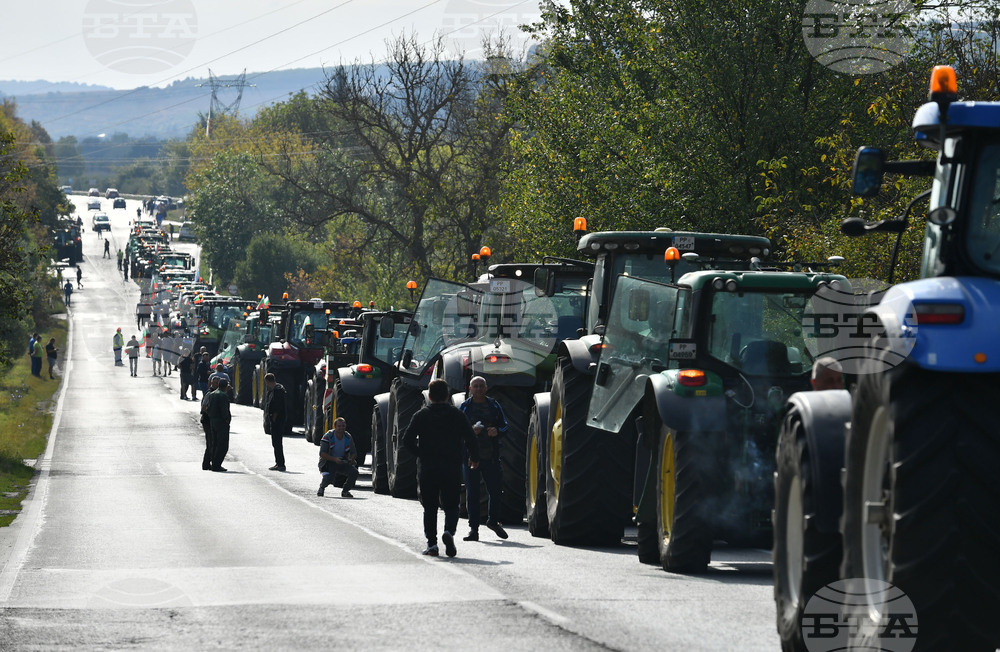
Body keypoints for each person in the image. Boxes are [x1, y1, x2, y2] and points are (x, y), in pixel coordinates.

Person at [402, 379, 479, 558]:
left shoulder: (421, 415)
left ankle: (432, 544)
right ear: (447, 395)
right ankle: (449, 532)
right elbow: (471, 438)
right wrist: (474, 458)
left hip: (428, 468)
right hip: (451, 467)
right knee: (451, 505)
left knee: (430, 507)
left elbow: (407, 440)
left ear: (429, 396)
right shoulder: (457, 415)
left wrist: (421, 454)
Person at [459, 375, 510, 541]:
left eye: (482, 386)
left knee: (496, 492)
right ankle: (473, 530)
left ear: (486, 388)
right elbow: (455, 430)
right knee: (472, 494)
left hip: (491, 457)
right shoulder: (464, 407)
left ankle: (493, 521)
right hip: (470, 458)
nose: (479, 389)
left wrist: (497, 431)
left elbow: (505, 426)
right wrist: (470, 431)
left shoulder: (494, 405)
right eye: (476, 386)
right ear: (470, 389)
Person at [317, 417, 359, 498]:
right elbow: (322, 453)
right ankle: (322, 487)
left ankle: (345, 491)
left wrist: (351, 459)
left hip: (342, 461)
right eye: (339, 426)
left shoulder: (348, 437)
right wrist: (335, 459)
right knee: (329, 478)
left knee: (354, 472)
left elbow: (354, 452)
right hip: (328, 462)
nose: (341, 428)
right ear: (334, 426)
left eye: (343, 426)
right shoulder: (328, 436)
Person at [205, 377, 232, 472]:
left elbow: (208, 408)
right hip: (221, 422)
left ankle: (214, 463)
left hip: (213, 421)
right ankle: (217, 465)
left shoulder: (212, 394)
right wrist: (227, 419)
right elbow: (224, 410)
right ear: (225, 386)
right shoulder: (223, 396)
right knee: (223, 445)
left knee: (215, 443)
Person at [263, 373, 287, 472]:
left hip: (277, 420)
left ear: (268, 381)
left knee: (277, 442)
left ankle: (281, 464)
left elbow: (278, 405)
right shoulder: (276, 389)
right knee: (275, 443)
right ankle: (278, 463)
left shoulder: (277, 390)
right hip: (276, 420)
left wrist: (274, 417)